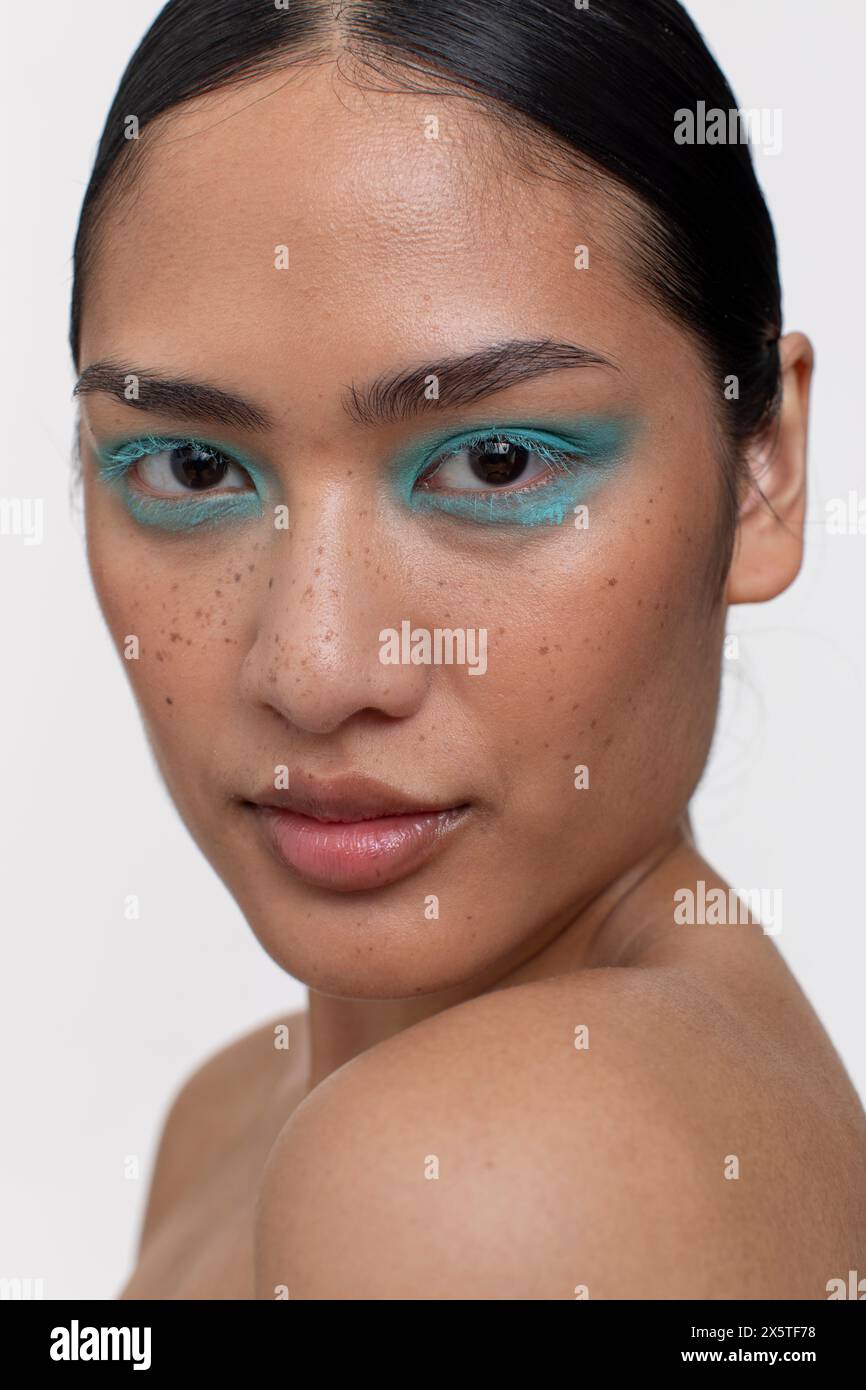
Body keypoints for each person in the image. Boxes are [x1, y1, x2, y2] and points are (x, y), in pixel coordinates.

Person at [69, 0, 866, 1299]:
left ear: (763, 473)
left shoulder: (483, 1172)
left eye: (495, 462)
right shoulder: (228, 1118)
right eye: (192, 463)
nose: (317, 668)